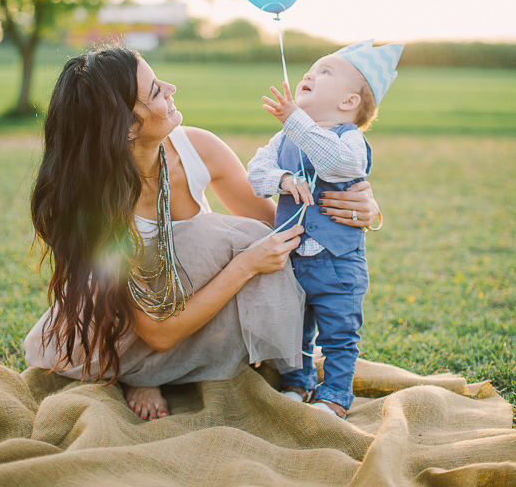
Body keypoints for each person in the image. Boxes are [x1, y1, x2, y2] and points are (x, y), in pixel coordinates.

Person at [24, 45, 380, 421]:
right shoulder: (95, 203)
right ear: (127, 126)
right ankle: (138, 373)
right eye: (156, 91)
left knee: (241, 237)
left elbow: (280, 225)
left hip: (194, 306)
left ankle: (164, 372)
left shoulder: (198, 148)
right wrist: (245, 266)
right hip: (123, 331)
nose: (171, 87)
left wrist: (365, 210)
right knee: (222, 239)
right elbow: (157, 332)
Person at [247, 40, 404, 419]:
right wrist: (282, 178)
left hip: (338, 263)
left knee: (339, 330)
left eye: (325, 72)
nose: (310, 75)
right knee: (294, 325)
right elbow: (255, 173)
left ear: (349, 102)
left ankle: (335, 393)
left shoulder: (349, 139)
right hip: (293, 258)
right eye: (312, 69)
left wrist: (295, 121)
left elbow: (337, 166)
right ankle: (297, 382)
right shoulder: (283, 138)